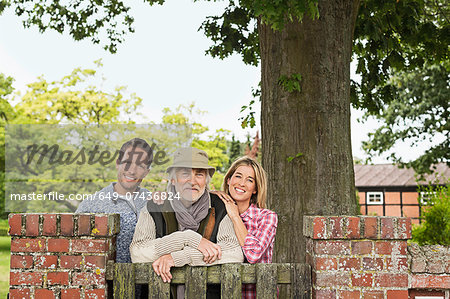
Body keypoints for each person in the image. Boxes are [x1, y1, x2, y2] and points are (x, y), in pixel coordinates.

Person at [130, 147, 243, 298]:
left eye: (199, 174)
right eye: (185, 174)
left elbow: (234, 253)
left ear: (206, 180)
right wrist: (187, 238)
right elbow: (138, 253)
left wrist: (177, 258)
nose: (193, 181)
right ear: (173, 179)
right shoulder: (154, 206)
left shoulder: (221, 207)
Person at [76, 137, 153, 263]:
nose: (132, 171)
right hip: (108, 281)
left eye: (140, 165)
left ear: (146, 172)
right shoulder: (91, 205)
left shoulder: (153, 201)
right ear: (118, 163)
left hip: (151, 281)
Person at [212, 156, 278, 299]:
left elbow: (253, 255)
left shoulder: (266, 217)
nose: (242, 183)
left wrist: (235, 217)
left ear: (255, 189)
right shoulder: (215, 213)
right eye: (238, 176)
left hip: (256, 295)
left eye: (250, 180)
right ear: (229, 180)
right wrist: (209, 195)